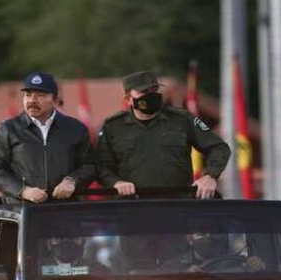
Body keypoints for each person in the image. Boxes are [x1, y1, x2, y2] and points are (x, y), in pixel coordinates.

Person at [95, 71, 231, 199]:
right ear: (128, 99)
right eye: (144, 92)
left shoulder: (182, 120)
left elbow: (219, 148)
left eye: (154, 90)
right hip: (132, 207)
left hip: (176, 206)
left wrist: (210, 176)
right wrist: (116, 183)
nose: (151, 95)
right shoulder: (113, 126)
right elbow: (101, 166)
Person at [0, 72, 96, 204]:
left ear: (55, 100)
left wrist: (72, 181)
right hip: (21, 212)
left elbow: (90, 165)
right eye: (28, 95)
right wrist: (23, 191)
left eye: (40, 95)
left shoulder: (76, 129)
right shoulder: (9, 129)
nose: (32, 100)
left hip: (65, 210)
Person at [161, 232, 265, 273]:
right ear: (190, 239)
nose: (209, 237)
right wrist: (186, 275)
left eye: (213, 233)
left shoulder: (235, 262)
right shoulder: (172, 266)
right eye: (202, 234)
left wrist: (258, 267)